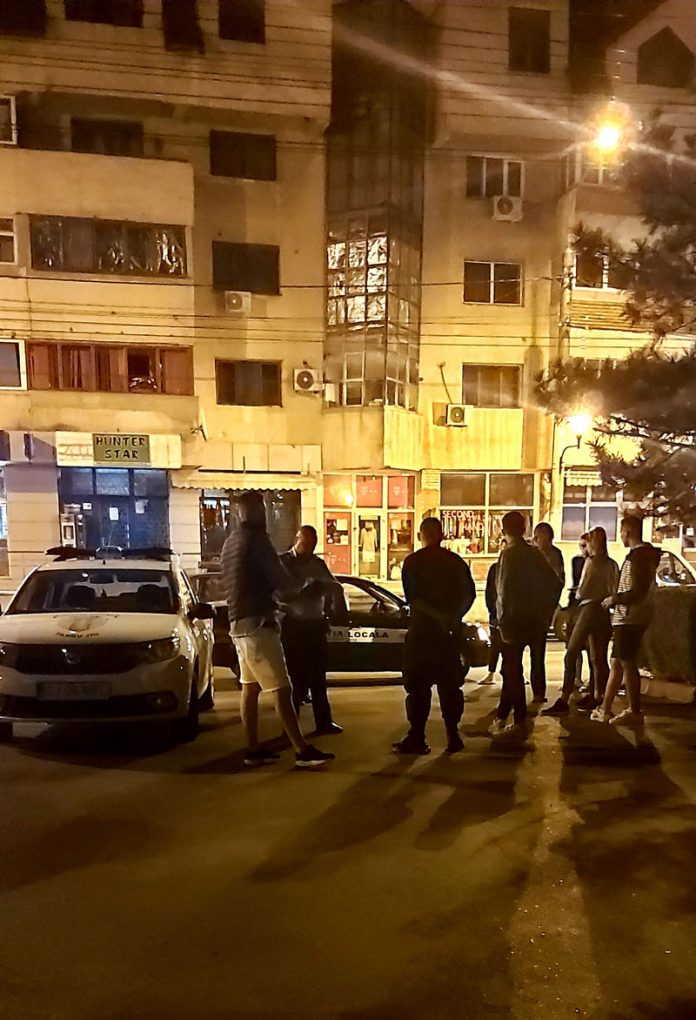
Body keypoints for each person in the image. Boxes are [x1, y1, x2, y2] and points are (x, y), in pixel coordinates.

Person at [219, 492, 335, 768]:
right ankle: (302, 750)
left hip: (238, 623)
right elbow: (282, 583)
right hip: (258, 622)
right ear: (257, 512)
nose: (266, 515)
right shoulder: (257, 539)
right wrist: (307, 586)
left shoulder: (230, 542)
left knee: (250, 688)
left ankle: (253, 748)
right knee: (283, 688)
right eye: (262, 509)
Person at [393, 516, 476, 756]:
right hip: (449, 634)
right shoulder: (456, 562)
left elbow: (414, 599)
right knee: (450, 686)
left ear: (421, 535)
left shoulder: (413, 562)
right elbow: (469, 595)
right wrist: (453, 616)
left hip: (422, 633)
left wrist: (437, 617)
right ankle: (452, 735)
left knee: (418, 688)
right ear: (441, 535)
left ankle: (417, 736)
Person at [490, 512, 562, 739]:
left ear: (503, 530)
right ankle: (503, 714)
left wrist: (502, 619)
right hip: (533, 620)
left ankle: (518, 719)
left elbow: (505, 591)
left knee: (512, 670)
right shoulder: (534, 554)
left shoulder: (509, 554)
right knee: (512, 668)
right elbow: (555, 583)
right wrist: (545, 611)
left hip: (514, 621)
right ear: (524, 529)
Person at [591, 515, 660, 727]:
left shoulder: (638, 557)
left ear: (628, 532)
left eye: (621, 532)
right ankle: (605, 709)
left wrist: (615, 599)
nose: (620, 536)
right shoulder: (643, 555)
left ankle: (634, 711)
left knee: (627, 663)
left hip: (630, 617)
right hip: (628, 616)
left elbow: (637, 590)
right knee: (617, 662)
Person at [543, 526, 619, 716]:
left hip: (588, 608)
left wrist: (578, 593)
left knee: (571, 653)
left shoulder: (591, 562)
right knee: (597, 657)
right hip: (602, 610)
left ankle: (564, 699)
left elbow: (582, 590)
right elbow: (614, 588)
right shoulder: (611, 564)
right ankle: (598, 696)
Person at [280, 525, 345, 736]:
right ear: (296, 540)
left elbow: (333, 584)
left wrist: (333, 593)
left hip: (315, 625)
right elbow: (280, 593)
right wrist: (305, 587)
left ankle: (324, 722)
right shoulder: (284, 562)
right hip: (294, 625)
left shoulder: (317, 563)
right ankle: (290, 727)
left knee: (318, 677)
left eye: (313, 545)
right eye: (305, 544)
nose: (309, 549)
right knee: (294, 678)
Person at [531, 522, 566, 702]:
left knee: (537, 653)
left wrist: (551, 606)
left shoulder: (554, 555)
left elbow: (559, 581)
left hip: (541, 610)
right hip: (529, 608)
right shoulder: (531, 555)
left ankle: (538, 692)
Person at [479, 540, 506, 685]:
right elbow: (489, 591)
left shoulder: (516, 568)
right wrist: (492, 611)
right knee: (495, 644)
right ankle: (491, 672)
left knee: (512, 647)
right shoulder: (495, 568)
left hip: (510, 614)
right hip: (496, 612)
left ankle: (515, 674)